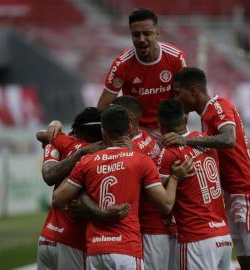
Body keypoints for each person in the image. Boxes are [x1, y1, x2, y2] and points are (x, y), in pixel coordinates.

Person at [52, 105, 191, 270]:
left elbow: (57, 201)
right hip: (126, 249)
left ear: (103, 131)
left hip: (96, 251)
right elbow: (166, 205)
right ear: (130, 127)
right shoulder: (140, 161)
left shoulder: (86, 162)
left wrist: (89, 201)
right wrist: (175, 177)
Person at [164, 67, 250, 270]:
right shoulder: (206, 117)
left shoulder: (218, 105)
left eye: (178, 93)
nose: (175, 98)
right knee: (248, 265)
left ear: (193, 91)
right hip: (233, 193)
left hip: (248, 190)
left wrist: (185, 139)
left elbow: (228, 139)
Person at [37, 107, 130, 270]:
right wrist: (103, 214)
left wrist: (53, 124)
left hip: (47, 237)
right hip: (72, 239)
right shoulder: (100, 155)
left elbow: (42, 135)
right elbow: (78, 196)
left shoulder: (64, 141)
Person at [157, 99, 232, 270]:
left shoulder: (169, 154)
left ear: (160, 126)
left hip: (196, 238)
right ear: (185, 119)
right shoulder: (206, 141)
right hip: (223, 236)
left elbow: (160, 201)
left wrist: (174, 178)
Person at [97, 8, 187, 141]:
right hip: (136, 130)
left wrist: (179, 129)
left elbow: (184, 99)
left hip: (168, 127)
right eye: (136, 34)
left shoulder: (176, 58)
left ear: (157, 33)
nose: (141, 39)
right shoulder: (122, 64)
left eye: (147, 33)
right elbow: (102, 107)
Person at [112, 95, 179, 270]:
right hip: (155, 227)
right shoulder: (145, 138)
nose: (110, 119)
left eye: (115, 115)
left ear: (130, 121)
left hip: (150, 228)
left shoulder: (135, 149)